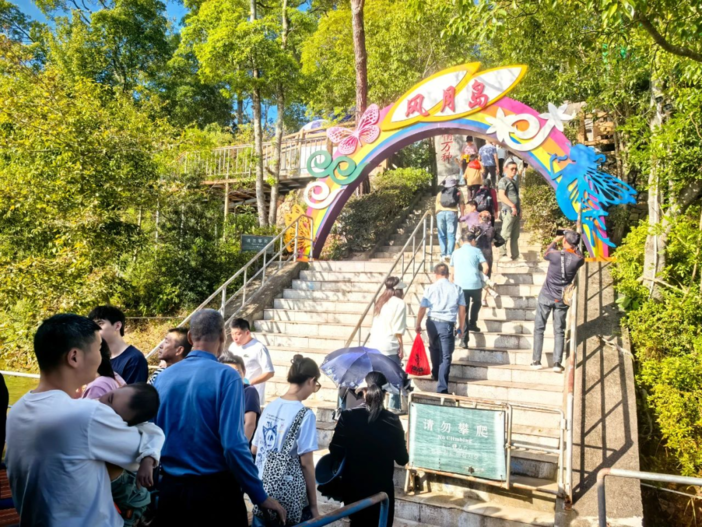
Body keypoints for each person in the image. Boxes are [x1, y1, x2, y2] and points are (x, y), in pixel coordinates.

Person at [6, 314, 157, 526]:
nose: (102, 357)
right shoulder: (88, 414)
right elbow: (141, 454)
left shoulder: (17, 410)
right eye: (98, 349)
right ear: (74, 357)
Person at [153, 309, 286, 526]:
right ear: (223, 337)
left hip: (170, 491)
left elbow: (152, 433)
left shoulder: (163, 377)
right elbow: (233, 445)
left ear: (190, 338)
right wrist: (259, 495)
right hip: (214, 494)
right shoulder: (227, 377)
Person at [328, 371, 409, 527]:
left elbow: (335, 451)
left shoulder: (348, 416)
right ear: (385, 394)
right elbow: (402, 459)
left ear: (364, 391)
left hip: (354, 490)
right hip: (381, 492)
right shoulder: (393, 420)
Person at [252, 355, 320, 526]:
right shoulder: (305, 415)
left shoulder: (270, 406)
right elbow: (306, 464)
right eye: (316, 385)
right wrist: (314, 506)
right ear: (311, 380)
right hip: (287, 497)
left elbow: (254, 449)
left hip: (261, 493)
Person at [94, 384, 164, 527]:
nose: (106, 406)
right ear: (121, 386)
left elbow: (156, 434)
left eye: (115, 416)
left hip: (130, 494)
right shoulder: (92, 404)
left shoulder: (138, 427)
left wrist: (148, 460)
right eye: (110, 398)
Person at [531, 231, 585, 373]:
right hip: (561, 298)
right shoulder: (578, 259)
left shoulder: (554, 255)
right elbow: (580, 255)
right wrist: (574, 243)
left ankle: (536, 360)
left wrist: (555, 240)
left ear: (564, 241)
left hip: (546, 295)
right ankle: (557, 363)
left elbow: (546, 253)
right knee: (559, 330)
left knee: (539, 328)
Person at [414, 263, 466, 394]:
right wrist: (461, 326)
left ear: (435, 274)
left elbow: (422, 308)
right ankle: (442, 388)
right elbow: (462, 310)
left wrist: (418, 323)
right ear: (448, 274)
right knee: (446, 356)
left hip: (431, 323)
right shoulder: (457, 289)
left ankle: (436, 373)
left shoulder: (430, 288)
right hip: (447, 324)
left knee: (434, 347)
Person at [367, 276, 407, 412]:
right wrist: (401, 347)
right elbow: (398, 329)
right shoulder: (399, 303)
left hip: (374, 345)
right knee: (394, 376)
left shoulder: (381, 301)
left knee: (377, 378)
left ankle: (376, 405)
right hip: (389, 345)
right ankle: (394, 406)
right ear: (399, 290)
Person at [451, 229, 490, 348]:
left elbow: (452, 273)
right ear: (472, 240)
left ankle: (464, 340)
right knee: (477, 302)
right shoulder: (477, 250)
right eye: (475, 241)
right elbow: (486, 267)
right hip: (475, 284)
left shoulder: (455, 253)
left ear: (462, 241)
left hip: (460, 286)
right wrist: (482, 276)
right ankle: (473, 322)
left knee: (463, 312)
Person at [89, 305, 148, 384]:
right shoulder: (97, 356)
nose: (94, 329)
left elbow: (133, 391)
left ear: (117, 326)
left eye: (100, 323)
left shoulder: (134, 359)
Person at [228, 318, 275, 405]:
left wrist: (249, 383)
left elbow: (269, 372)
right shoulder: (232, 347)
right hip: (234, 395)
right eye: (232, 334)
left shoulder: (259, 348)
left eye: (238, 334)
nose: (235, 338)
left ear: (247, 332)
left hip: (252, 397)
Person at [219, 352, 261, 442]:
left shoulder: (249, 392)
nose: (232, 376)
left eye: (236, 372)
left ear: (244, 372)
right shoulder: (219, 392)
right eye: (227, 373)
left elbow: (250, 424)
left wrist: (240, 447)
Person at [435, 177, 465, 261]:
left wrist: (437, 214)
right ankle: (449, 254)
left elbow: (437, 204)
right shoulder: (458, 191)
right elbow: (462, 203)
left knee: (441, 234)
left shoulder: (440, 193)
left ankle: (443, 254)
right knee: (451, 234)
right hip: (452, 213)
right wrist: (462, 215)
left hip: (440, 213)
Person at [498, 160, 522, 262]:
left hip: (516, 211)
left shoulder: (514, 181)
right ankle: (502, 254)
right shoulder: (503, 181)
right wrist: (512, 205)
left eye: (515, 169)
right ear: (505, 169)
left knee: (515, 235)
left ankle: (515, 255)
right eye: (512, 169)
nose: (514, 171)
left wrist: (520, 209)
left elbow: (516, 196)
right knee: (505, 233)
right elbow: (501, 195)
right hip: (508, 210)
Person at [477, 210, 496, 307]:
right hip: (487, 254)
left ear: (479, 217)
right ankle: (483, 299)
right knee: (486, 275)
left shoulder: (475, 228)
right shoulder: (492, 229)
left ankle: (477, 296)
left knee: (476, 274)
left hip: (477, 253)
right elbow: (499, 241)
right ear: (490, 219)